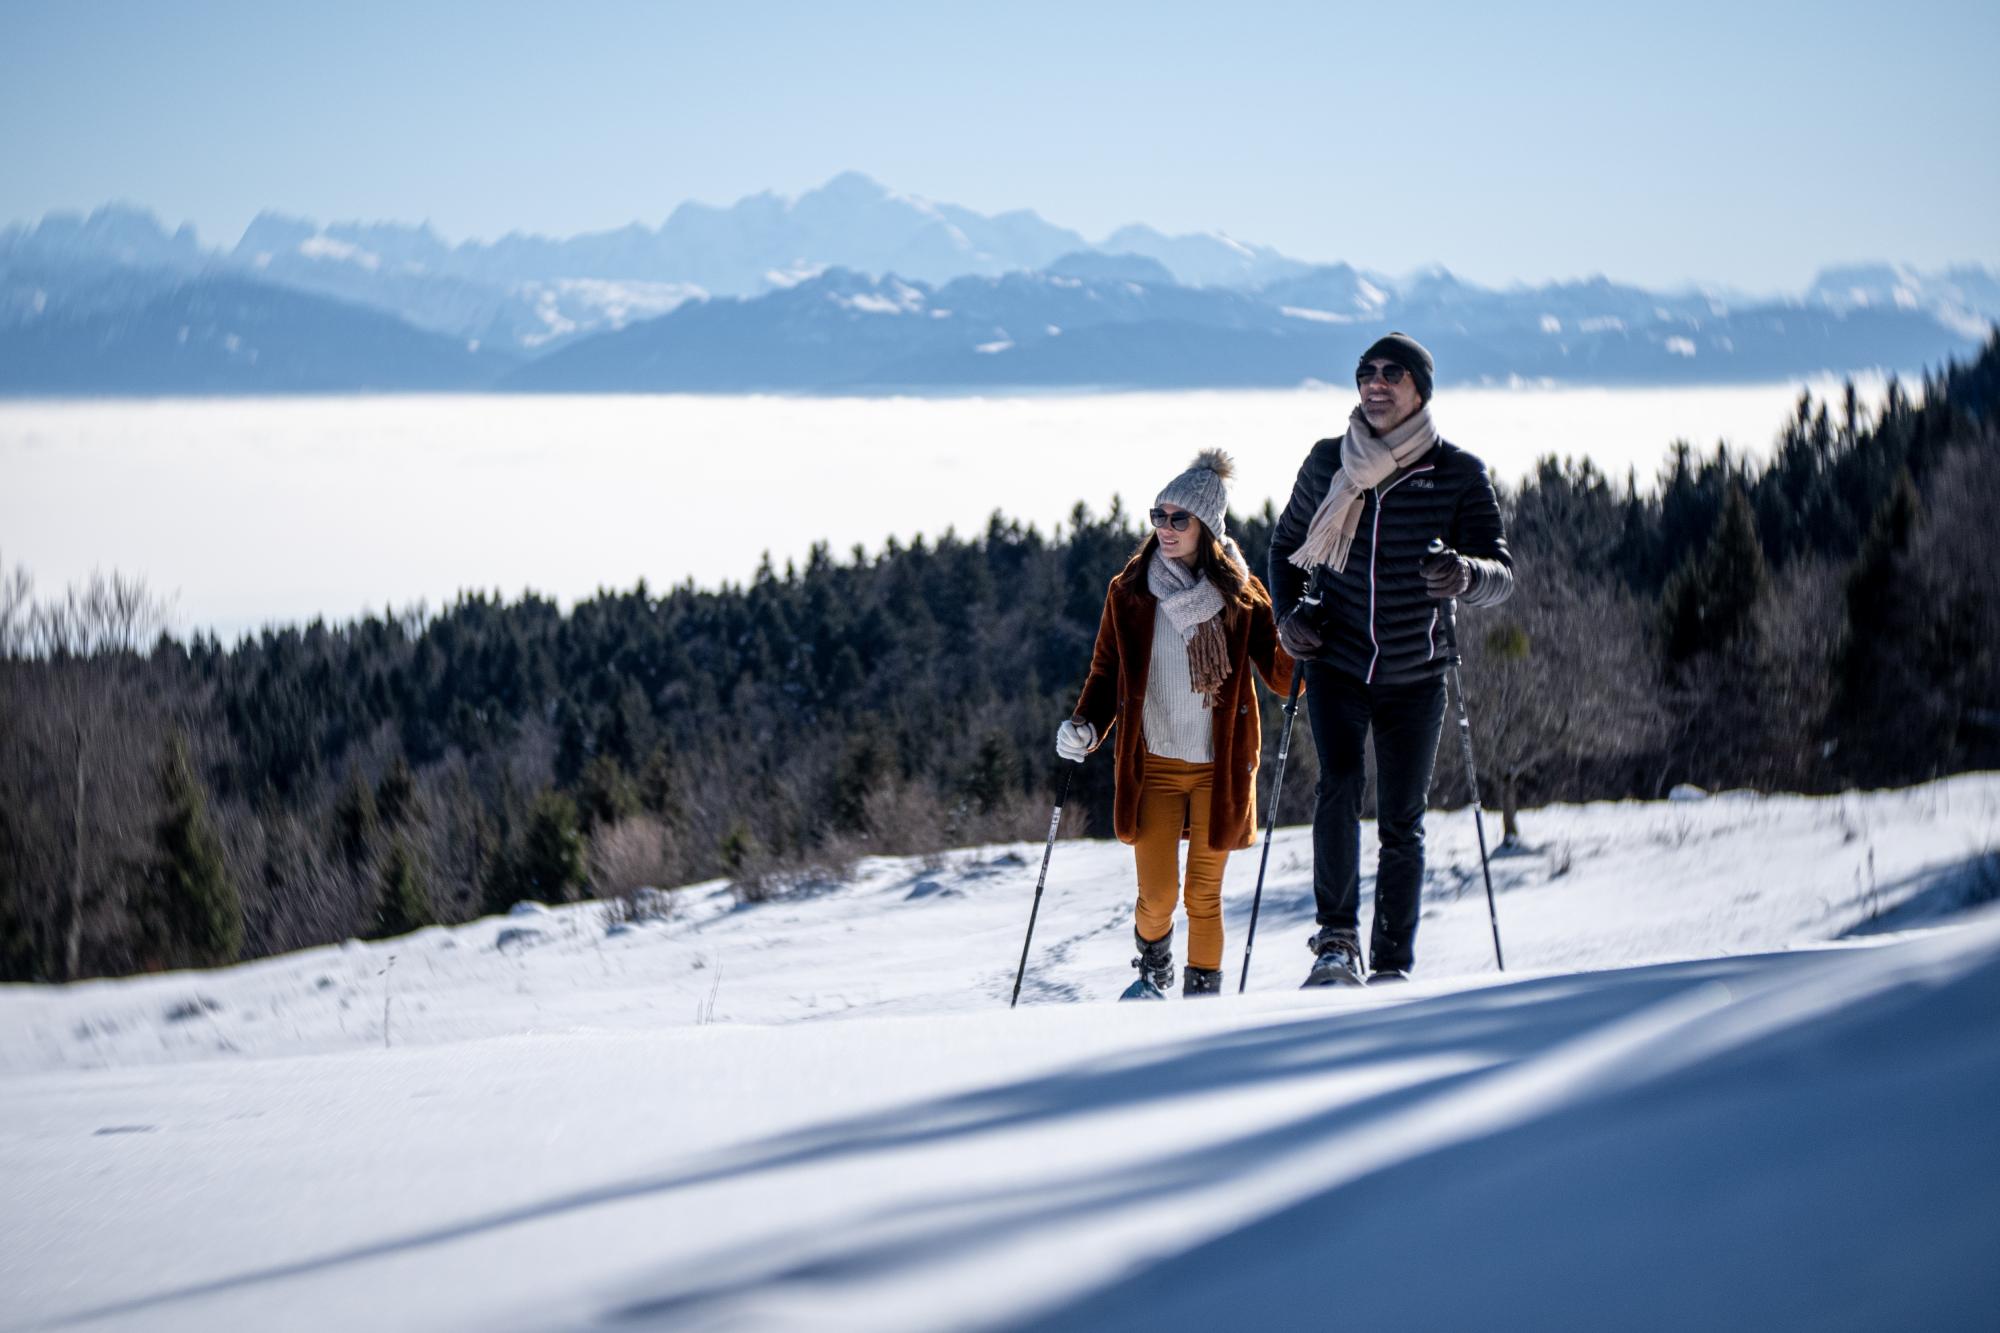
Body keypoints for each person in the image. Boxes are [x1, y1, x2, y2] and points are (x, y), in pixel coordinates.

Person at [1268, 333, 1514, 987]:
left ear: (1420, 390)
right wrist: (1286, 617)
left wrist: (1465, 574)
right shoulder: (1328, 463)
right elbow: (1287, 546)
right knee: (1339, 784)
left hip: (1417, 671)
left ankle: (1393, 962)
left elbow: (1502, 573)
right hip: (1336, 660)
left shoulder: (1458, 473)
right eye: (1364, 372)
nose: (1374, 382)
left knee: (1403, 818)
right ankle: (1336, 942)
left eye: (1391, 373)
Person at [1057, 450, 1294, 999]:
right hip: (1155, 768)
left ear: (1205, 527)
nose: (1165, 528)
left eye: (1177, 518)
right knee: (1159, 895)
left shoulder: (1241, 597)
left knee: (1204, 896)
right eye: (1157, 516)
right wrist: (1086, 728)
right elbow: (1107, 671)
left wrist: (1300, 631)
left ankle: (1203, 1000)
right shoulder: (1131, 592)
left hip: (1221, 769)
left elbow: (1284, 680)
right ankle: (1153, 958)